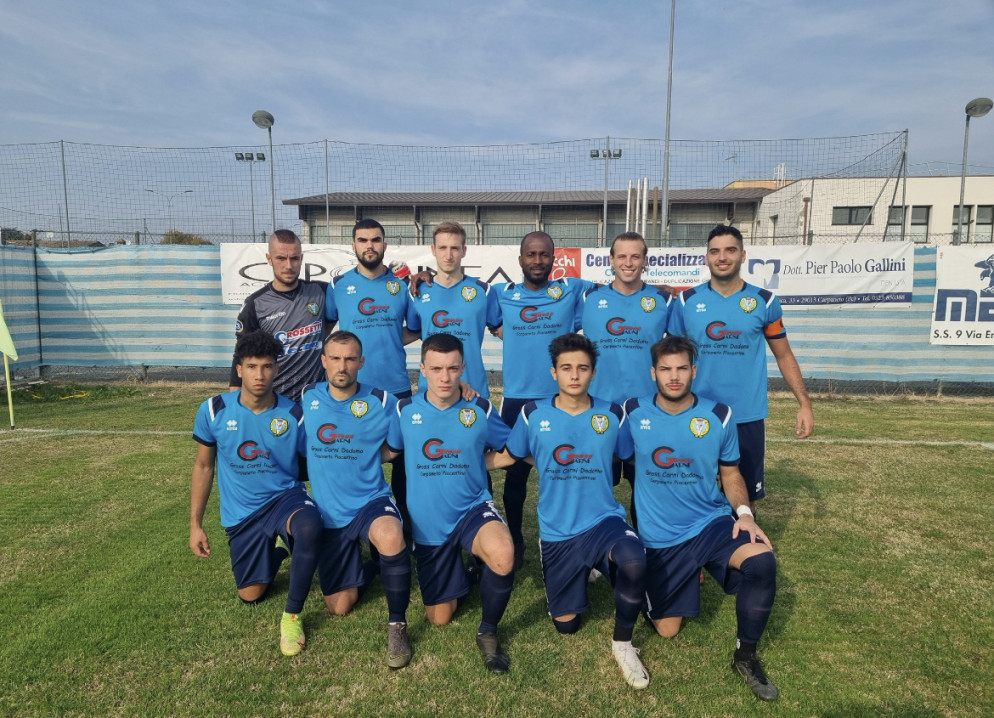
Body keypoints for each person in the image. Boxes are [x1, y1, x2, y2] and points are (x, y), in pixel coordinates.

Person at [621, 334, 780, 700]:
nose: (674, 376)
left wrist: (745, 514)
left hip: (710, 522)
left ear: (694, 371)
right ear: (653, 373)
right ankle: (656, 582)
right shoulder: (632, 412)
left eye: (681, 369)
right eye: (665, 369)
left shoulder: (718, 415)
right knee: (668, 631)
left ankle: (745, 656)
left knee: (761, 562)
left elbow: (731, 473)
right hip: (661, 537)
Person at [501, 333, 650, 690]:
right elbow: (510, 455)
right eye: (566, 368)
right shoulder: (532, 413)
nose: (574, 375)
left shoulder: (612, 413)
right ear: (554, 372)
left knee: (633, 561)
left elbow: (629, 456)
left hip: (603, 519)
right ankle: (581, 568)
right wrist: (464, 463)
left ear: (593, 373)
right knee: (566, 626)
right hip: (558, 530)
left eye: (583, 368)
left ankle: (623, 644)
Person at [384, 333, 516, 674]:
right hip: (429, 524)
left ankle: (488, 632)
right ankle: (470, 572)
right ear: (422, 369)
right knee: (439, 617)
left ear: (463, 368)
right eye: (437, 369)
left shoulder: (479, 408)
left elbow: (510, 451)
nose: (445, 377)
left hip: (472, 508)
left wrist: (477, 462)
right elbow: (391, 451)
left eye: (453, 369)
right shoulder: (404, 410)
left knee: (503, 553)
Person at [191, 329, 323, 657]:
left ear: (277, 369)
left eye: (266, 366)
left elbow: (317, 464)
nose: (259, 375)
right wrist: (195, 525)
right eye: (251, 366)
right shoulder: (213, 410)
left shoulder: (294, 414)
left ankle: (292, 617)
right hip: (243, 512)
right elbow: (204, 467)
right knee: (251, 595)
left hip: (285, 499)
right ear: (239, 369)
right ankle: (278, 551)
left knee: (308, 527)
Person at [667, 224, 813, 505]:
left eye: (730, 250)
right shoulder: (687, 301)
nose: (722, 257)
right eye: (715, 251)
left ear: (743, 255)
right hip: (697, 412)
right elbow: (672, 359)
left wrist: (804, 403)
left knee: (744, 499)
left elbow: (784, 355)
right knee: (693, 496)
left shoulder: (764, 301)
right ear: (706, 258)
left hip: (746, 415)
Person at [299, 330, 413, 669]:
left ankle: (397, 626)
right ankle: (375, 567)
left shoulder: (382, 401)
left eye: (350, 359)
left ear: (361, 362)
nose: (342, 366)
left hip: (370, 501)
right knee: (339, 606)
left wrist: (463, 389)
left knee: (390, 535)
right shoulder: (308, 396)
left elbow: (404, 438)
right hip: (328, 512)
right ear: (323, 361)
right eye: (335, 358)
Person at [492, 231, 596, 568]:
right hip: (516, 401)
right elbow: (466, 300)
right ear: (520, 259)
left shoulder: (571, 289)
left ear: (554, 258)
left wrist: (660, 289)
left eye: (544, 254)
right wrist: (422, 277)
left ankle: (579, 541)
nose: (538, 261)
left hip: (562, 399)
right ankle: (516, 541)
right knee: (515, 475)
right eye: (531, 254)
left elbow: (616, 292)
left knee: (572, 474)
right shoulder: (501, 293)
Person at [325, 219, 418, 532]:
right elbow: (327, 328)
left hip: (396, 389)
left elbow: (415, 328)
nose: (369, 246)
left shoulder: (400, 285)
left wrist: (390, 338)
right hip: (354, 391)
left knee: (404, 464)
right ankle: (352, 529)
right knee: (354, 458)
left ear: (384, 244)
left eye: (375, 240)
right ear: (353, 245)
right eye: (363, 240)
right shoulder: (338, 286)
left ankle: (407, 528)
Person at [580, 231, 671, 527]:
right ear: (611, 259)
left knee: (645, 489)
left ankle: (649, 544)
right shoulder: (588, 299)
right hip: (599, 409)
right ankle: (595, 546)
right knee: (595, 487)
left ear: (645, 260)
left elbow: (680, 351)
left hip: (645, 411)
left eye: (635, 256)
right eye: (621, 256)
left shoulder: (663, 300)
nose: (628, 263)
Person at [406, 221, 501, 399]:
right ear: (433, 249)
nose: (448, 255)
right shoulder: (417, 292)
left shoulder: (484, 291)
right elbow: (413, 331)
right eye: (442, 248)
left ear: (464, 251)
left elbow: (503, 331)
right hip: (431, 392)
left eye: (455, 248)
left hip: (474, 390)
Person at [229, 229, 328, 401]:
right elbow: (241, 353)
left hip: (314, 399)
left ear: (301, 258)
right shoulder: (255, 304)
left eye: (294, 258)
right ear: (269, 259)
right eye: (281, 258)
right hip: (275, 402)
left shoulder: (320, 291)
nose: (288, 266)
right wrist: (234, 400)